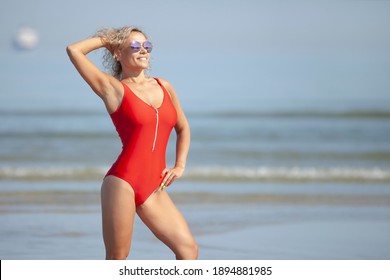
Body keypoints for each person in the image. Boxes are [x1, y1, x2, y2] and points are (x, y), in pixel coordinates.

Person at [66, 26, 198, 260]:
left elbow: (183, 127)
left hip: (154, 187)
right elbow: (74, 50)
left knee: (188, 251)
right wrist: (108, 40)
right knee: (118, 257)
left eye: (147, 46)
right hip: (122, 182)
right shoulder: (113, 89)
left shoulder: (164, 86)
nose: (143, 51)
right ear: (118, 53)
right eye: (135, 47)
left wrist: (180, 165)